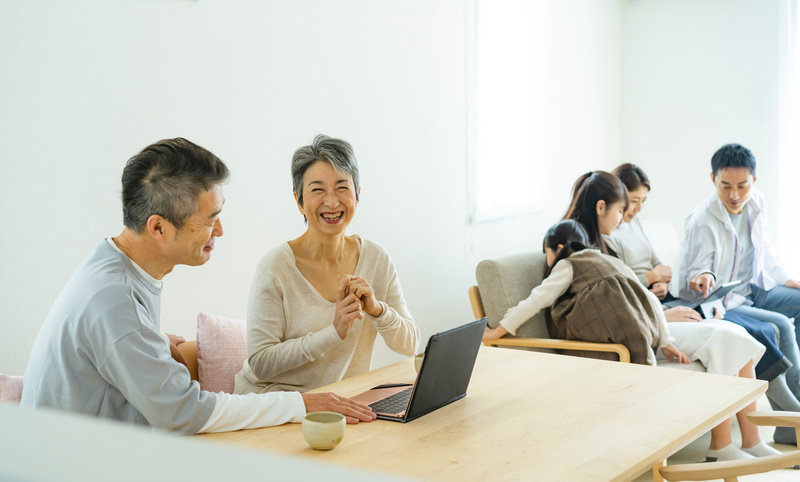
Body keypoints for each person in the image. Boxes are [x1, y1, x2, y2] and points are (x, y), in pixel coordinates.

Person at [20, 138, 375, 434]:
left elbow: (107, 340)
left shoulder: (110, 266)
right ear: (158, 228)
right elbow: (184, 413)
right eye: (210, 220)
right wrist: (300, 403)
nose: (219, 232)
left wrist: (151, 342)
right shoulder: (116, 301)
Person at [483, 219, 776, 461]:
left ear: (558, 248)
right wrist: (662, 337)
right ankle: (723, 446)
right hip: (637, 333)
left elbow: (539, 297)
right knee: (727, 337)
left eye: (547, 254)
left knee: (733, 336)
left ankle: (749, 441)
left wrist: (663, 339)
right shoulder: (602, 259)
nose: (547, 263)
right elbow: (643, 296)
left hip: (644, 331)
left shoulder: (568, 263)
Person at [234, 135, 420, 394]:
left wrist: (377, 310)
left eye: (342, 187)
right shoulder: (274, 268)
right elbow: (261, 363)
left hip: (342, 404)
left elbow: (410, 344)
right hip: (275, 407)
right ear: (299, 200)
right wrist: (333, 332)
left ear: (357, 195)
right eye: (318, 189)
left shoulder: (377, 258)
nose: (332, 202)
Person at [606, 163, 796, 384]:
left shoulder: (634, 223)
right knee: (750, 333)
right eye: (634, 201)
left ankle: (786, 410)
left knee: (749, 333)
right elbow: (619, 287)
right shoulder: (609, 233)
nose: (638, 209)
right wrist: (650, 279)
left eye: (643, 201)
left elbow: (657, 263)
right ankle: (790, 411)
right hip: (649, 305)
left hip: (662, 296)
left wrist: (662, 280)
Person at [680, 144, 800, 444]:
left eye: (742, 186)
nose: (734, 195)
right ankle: (793, 421)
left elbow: (766, 251)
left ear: (754, 181)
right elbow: (695, 274)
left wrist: (787, 279)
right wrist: (702, 278)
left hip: (757, 288)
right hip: (724, 301)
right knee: (781, 325)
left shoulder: (756, 202)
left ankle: (792, 421)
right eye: (726, 186)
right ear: (712, 180)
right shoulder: (701, 220)